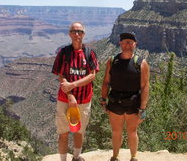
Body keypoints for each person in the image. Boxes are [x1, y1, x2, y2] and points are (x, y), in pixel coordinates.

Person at [52, 22, 99, 161]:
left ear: (83, 34)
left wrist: (73, 84)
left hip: (84, 99)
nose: (76, 34)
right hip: (64, 99)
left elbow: (92, 75)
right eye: (73, 31)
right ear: (69, 34)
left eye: (79, 31)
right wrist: (70, 95)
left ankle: (76, 157)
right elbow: (60, 75)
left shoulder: (89, 53)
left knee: (79, 131)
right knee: (64, 133)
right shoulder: (63, 52)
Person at [101, 32, 150, 161]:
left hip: (133, 102)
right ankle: (115, 156)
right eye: (124, 42)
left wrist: (143, 108)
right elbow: (106, 82)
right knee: (116, 131)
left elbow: (145, 86)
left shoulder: (141, 63)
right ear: (120, 44)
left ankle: (134, 157)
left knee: (132, 132)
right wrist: (102, 99)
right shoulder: (112, 61)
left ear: (135, 44)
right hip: (115, 101)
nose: (127, 45)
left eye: (129, 42)